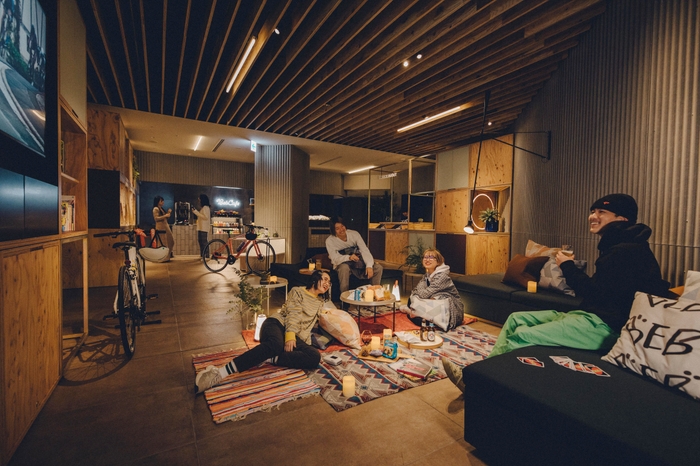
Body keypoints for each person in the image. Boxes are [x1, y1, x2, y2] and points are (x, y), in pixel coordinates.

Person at [442, 193, 673, 392]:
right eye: (592, 211)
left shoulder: (626, 252)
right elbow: (603, 292)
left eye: (601, 212)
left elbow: (594, 293)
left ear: (622, 219)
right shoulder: (618, 246)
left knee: (522, 335)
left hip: (606, 326)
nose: (593, 216)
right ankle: (481, 375)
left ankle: (479, 384)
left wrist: (567, 267)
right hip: (590, 315)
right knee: (515, 319)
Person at [195, 270, 331, 394]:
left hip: (296, 336)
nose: (327, 283)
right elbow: (293, 314)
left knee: (314, 356)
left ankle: (268, 357)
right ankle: (219, 373)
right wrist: (290, 336)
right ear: (315, 278)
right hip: (277, 324)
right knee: (276, 345)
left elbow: (314, 322)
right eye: (325, 279)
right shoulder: (298, 291)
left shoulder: (320, 303)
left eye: (329, 282)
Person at [399, 248, 464, 331]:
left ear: (438, 261)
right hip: (432, 305)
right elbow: (416, 290)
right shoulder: (427, 275)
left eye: (431, 257)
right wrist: (419, 295)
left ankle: (411, 312)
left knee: (428, 300)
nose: (427, 259)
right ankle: (414, 312)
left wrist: (420, 296)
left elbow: (423, 294)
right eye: (425, 257)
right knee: (413, 300)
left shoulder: (442, 276)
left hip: (450, 310)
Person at [325, 216, 382, 292]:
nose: (341, 230)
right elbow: (335, 259)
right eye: (337, 228)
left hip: (358, 263)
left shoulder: (354, 234)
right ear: (333, 230)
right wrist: (349, 257)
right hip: (342, 264)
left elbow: (364, 250)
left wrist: (369, 266)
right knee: (344, 268)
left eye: (342, 226)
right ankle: (344, 296)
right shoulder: (330, 241)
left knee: (378, 268)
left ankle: (375, 293)